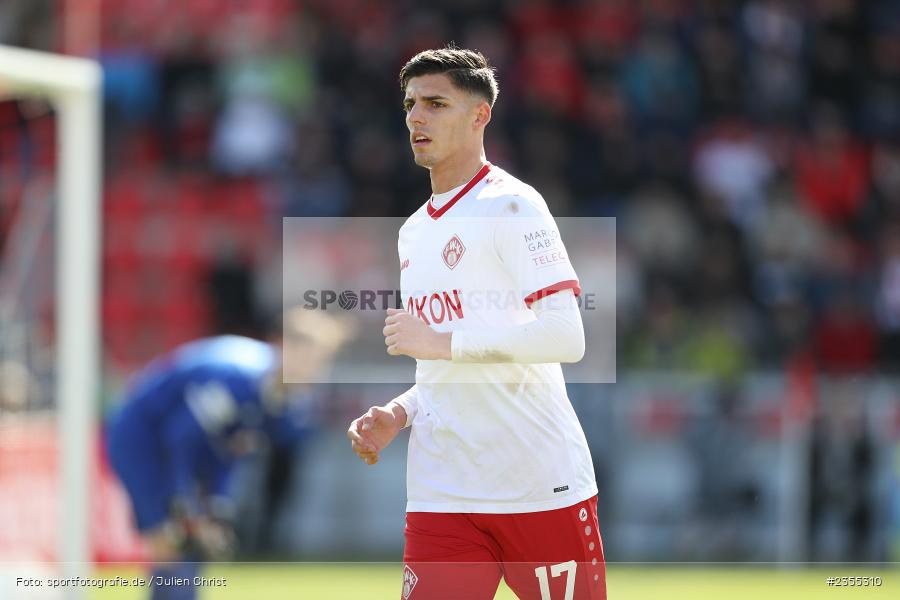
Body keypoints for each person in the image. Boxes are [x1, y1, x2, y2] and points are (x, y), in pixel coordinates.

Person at [347, 46, 606, 600]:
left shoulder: (515, 207)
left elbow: (567, 336)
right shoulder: (412, 231)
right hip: (443, 491)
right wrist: (401, 411)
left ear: (479, 115)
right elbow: (443, 363)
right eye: (411, 104)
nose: (416, 117)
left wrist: (444, 342)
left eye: (436, 103)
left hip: (537, 485)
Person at [107, 309, 350, 600]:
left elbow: (229, 448)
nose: (309, 367)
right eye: (304, 354)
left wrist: (218, 505)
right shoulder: (239, 380)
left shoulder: (282, 404)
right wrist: (182, 501)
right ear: (280, 344)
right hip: (142, 440)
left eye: (318, 359)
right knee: (170, 542)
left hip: (181, 449)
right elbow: (180, 436)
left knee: (194, 546)